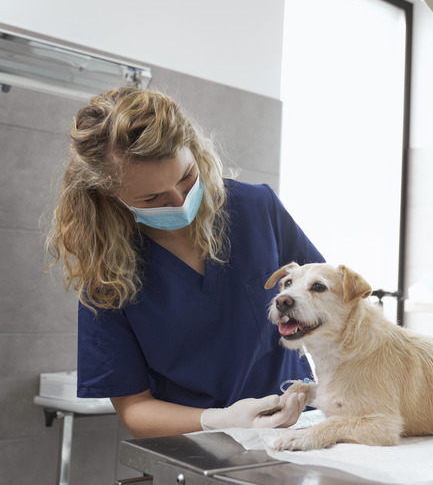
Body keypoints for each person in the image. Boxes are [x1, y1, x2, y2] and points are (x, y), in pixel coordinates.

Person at [45, 87, 324, 438]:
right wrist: (219, 420)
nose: (179, 201)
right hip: (194, 451)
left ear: (194, 150)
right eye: (153, 197)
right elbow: (134, 408)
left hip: (298, 432)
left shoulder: (257, 209)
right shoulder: (108, 275)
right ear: (108, 196)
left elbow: (330, 309)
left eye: (186, 177)